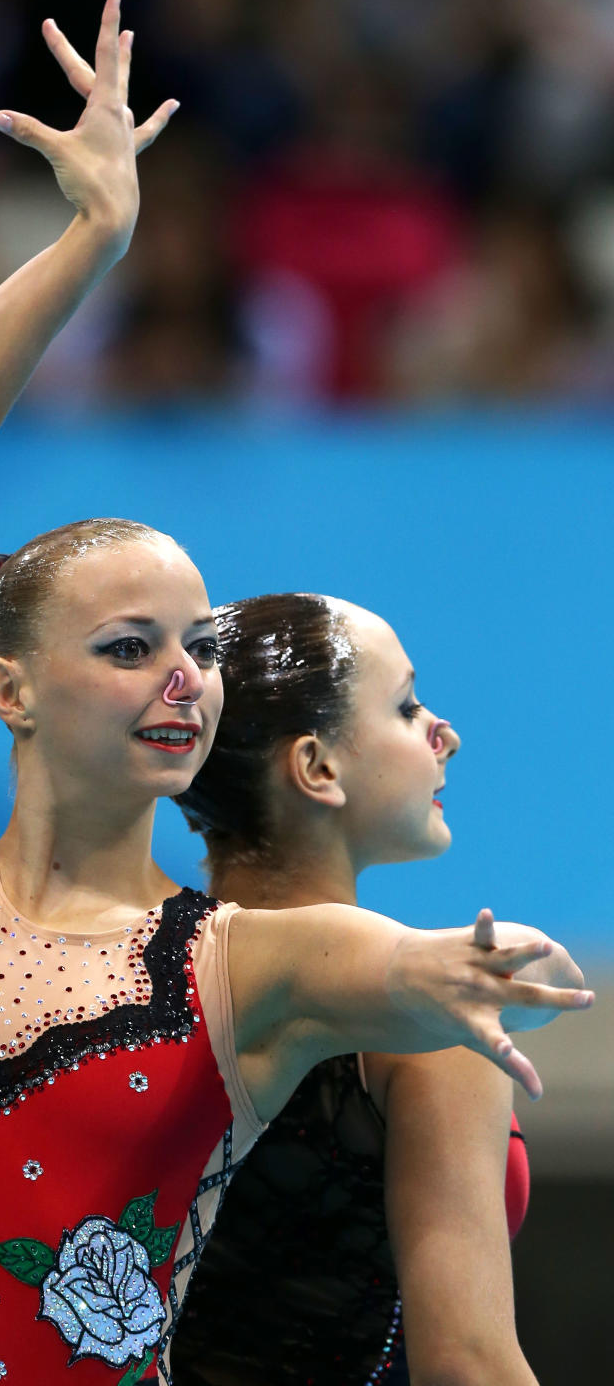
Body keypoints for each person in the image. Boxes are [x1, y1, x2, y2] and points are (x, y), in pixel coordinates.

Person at [0, 0, 591, 1386]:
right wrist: (94, 240)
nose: (179, 679)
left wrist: (451, 967)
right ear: (10, 689)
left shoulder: (223, 958)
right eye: (129, 644)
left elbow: (359, 955)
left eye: (199, 645)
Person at [173, 594, 560, 1386]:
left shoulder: (129, 975)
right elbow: (470, 1364)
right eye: (407, 705)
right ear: (317, 767)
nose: (445, 732)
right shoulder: (426, 1014)